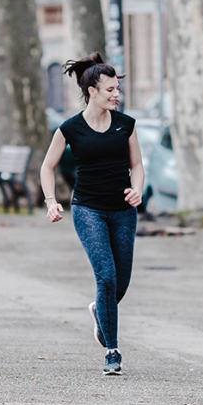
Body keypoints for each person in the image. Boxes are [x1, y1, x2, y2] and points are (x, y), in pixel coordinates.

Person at [40, 52, 144, 375]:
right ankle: (112, 351)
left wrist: (137, 188)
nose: (117, 95)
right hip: (87, 209)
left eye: (118, 89)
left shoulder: (126, 125)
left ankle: (100, 311)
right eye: (111, 90)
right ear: (93, 92)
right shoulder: (71, 129)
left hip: (123, 211)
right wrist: (50, 200)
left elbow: (137, 165)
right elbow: (47, 166)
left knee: (120, 283)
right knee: (107, 276)